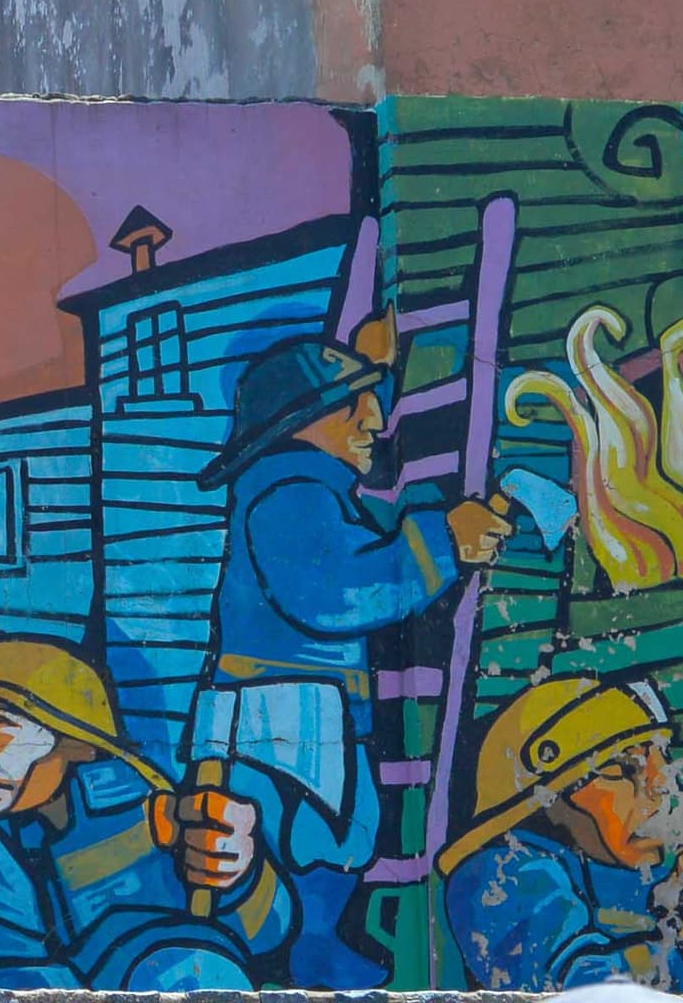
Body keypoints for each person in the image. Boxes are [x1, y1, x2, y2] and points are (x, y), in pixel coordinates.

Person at [187, 333, 514, 989]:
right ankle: (296, 953)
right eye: (353, 406)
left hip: (303, 708)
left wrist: (380, 364)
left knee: (331, 838)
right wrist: (447, 542)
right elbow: (334, 593)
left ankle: (313, 947)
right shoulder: (290, 489)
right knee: (300, 839)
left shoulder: (310, 483)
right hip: (278, 716)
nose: (375, 419)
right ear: (299, 422)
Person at [0, 638, 285, 991]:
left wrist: (239, 876)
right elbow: (17, 979)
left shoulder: (147, 805)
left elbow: (269, 935)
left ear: (77, 740)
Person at [438, 673, 683, 991]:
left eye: (660, 759)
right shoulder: (499, 875)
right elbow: (573, 989)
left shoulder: (676, 861)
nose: (660, 785)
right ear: (551, 803)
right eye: (622, 769)